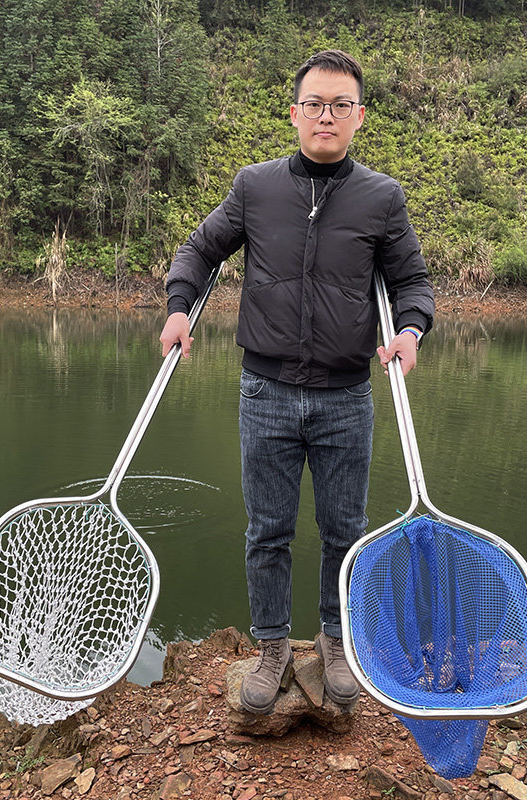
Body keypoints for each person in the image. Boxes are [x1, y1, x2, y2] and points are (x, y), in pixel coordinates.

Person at [158, 50, 434, 715]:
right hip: (267, 393)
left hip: (346, 396)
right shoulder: (255, 187)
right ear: (294, 113)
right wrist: (176, 307)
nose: (327, 116)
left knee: (345, 529)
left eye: (342, 105)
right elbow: (199, 249)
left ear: (359, 117)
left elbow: (412, 284)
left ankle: (336, 643)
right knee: (268, 531)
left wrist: (411, 331)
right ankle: (274, 647)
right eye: (315, 104)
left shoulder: (381, 197)